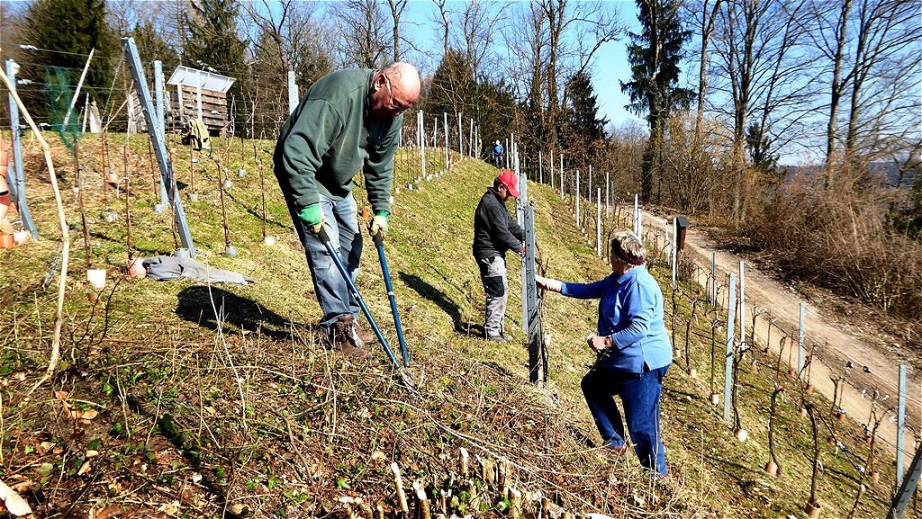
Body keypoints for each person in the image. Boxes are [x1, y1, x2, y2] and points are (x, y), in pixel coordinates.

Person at [274, 62, 421, 360]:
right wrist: (307, 202)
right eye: (394, 104)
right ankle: (337, 326)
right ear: (379, 82)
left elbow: (380, 165)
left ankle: (349, 319)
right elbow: (297, 149)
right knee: (325, 249)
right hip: (308, 175)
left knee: (352, 244)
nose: (396, 114)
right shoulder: (339, 95)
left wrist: (381, 210)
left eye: (403, 109)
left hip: (338, 181)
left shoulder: (391, 115)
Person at [536, 231, 672, 478]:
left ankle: (656, 475)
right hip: (621, 360)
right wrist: (553, 285)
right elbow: (591, 289)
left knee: (641, 424)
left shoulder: (639, 285)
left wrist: (605, 341)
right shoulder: (619, 278)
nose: (609, 257)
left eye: (611, 253)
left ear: (621, 258)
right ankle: (614, 443)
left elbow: (639, 328)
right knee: (593, 385)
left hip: (642, 365)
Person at [473, 170, 524, 343]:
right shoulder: (491, 204)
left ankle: (498, 329)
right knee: (497, 291)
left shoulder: (498, 202)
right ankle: (492, 332)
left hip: (495, 253)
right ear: (501, 187)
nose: (509, 196)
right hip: (489, 253)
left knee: (502, 291)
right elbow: (502, 233)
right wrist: (520, 248)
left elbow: (510, 225)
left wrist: (527, 235)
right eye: (508, 192)